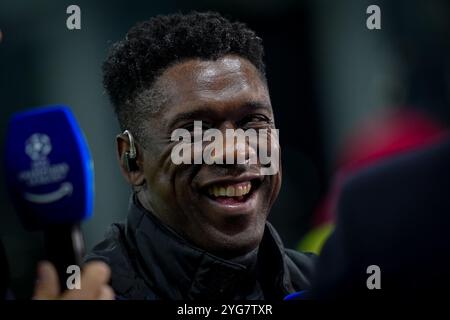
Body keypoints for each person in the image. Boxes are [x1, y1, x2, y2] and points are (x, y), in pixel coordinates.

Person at [84, 11, 315, 300]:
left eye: (253, 122)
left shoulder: (327, 284)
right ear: (132, 160)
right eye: (197, 130)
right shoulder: (89, 295)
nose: (235, 151)